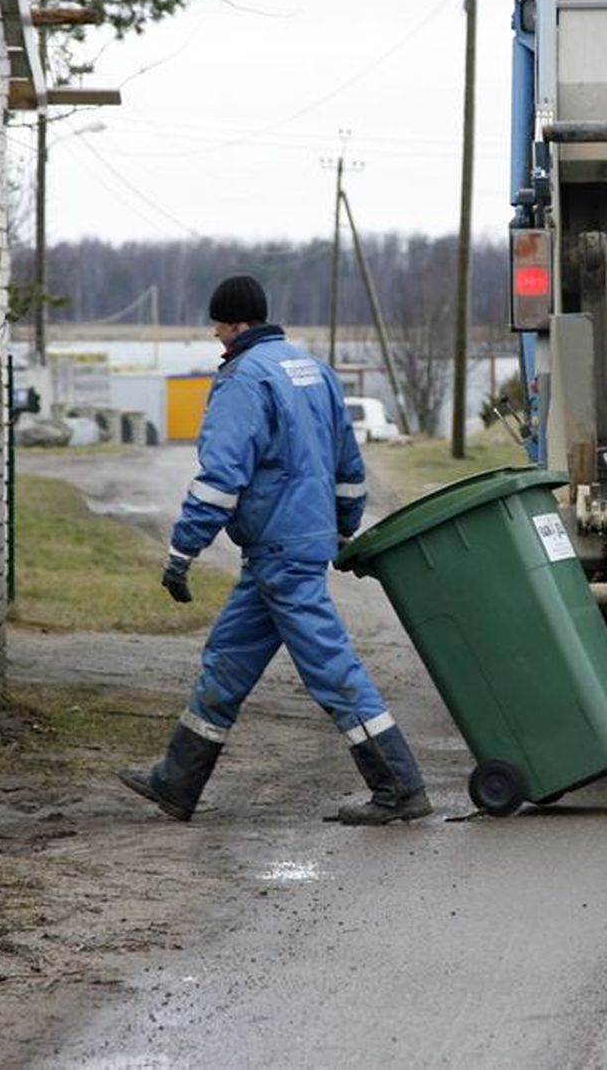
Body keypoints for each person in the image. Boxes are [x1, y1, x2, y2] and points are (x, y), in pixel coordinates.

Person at [117, 275, 433, 826]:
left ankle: (399, 786)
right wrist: (340, 528)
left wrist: (182, 551)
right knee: (226, 660)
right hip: (290, 547)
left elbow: (220, 479)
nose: (216, 336)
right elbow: (348, 468)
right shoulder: (313, 369)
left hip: (279, 550)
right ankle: (177, 781)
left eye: (218, 325)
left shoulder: (243, 380)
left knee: (332, 668)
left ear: (236, 323)